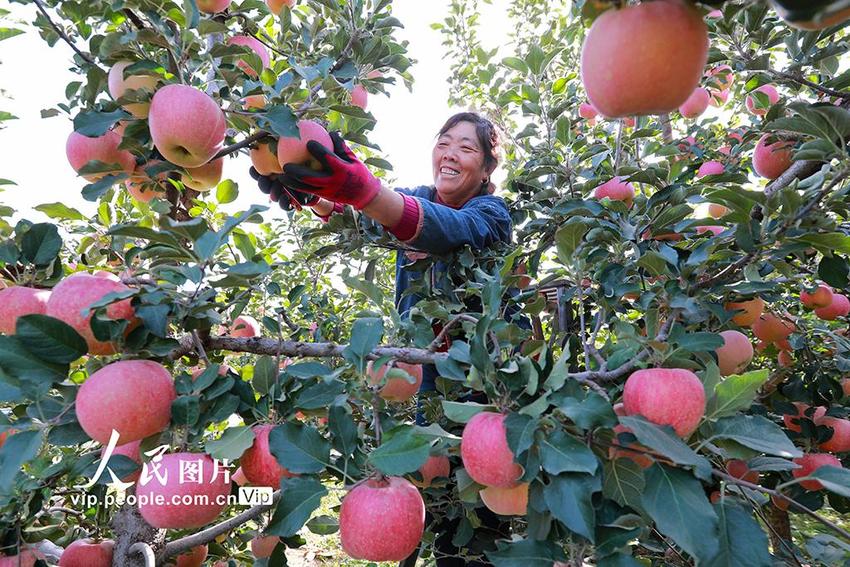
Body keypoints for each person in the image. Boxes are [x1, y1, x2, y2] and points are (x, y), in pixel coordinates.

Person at [251, 112, 514, 566]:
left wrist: (363, 189)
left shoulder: (492, 213)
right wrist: (320, 196)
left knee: (480, 517)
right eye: (444, 141)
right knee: (431, 511)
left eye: (467, 148)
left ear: (488, 168)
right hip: (429, 381)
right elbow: (367, 216)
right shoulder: (413, 197)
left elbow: (441, 228)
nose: (450, 153)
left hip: (487, 388)